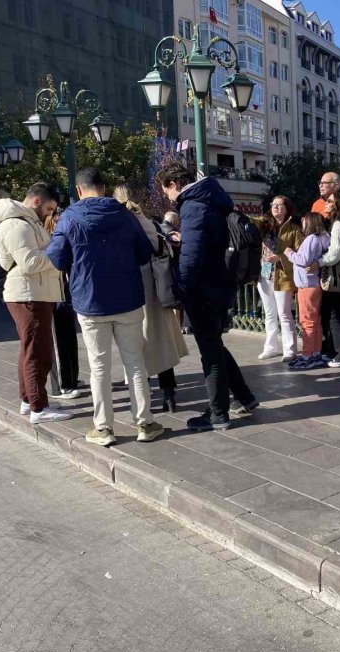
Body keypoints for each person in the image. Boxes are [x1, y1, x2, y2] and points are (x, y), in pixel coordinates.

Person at [47, 168, 163, 446]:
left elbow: (57, 258)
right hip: (128, 299)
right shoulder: (124, 214)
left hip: (90, 302)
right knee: (135, 363)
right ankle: (145, 423)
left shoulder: (70, 218)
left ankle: (104, 428)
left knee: (99, 367)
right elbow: (145, 252)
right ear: (103, 186)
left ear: (78, 190)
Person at [157, 161, 258, 432]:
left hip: (203, 289)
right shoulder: (212, 199)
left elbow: (191, 257)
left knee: (210, 351)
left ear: (174, 184)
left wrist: (181, 287)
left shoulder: (193, 205)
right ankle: (245, 397)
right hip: (221, 283)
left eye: (167, 191)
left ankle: (218, 413)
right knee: (215, 344)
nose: (169, 197)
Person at [0, 183, 74, 424]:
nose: (49, 213)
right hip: (28, 294)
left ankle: (29, 400)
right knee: (38, 351)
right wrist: (59, 253)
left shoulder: (26, 222)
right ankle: (38, 407)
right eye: (49, 208)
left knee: (31, 349)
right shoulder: (17, 224)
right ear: (36, 201)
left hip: (33, 293)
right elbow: (30, 262)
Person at [113, 183, 189, 413]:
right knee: (161, 342)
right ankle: (169, 395)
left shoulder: (121, 225)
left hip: (133, 291)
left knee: (135, 346)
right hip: (158, 290)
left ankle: (142, 396)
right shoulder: (151, 224)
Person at [41, 208, 82, 399]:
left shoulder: (61, 237)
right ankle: (62, 385)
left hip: (65, 292)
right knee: (59, 340)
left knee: (68, 338)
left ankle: (71, 377)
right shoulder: (49, 240)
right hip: (54, 294)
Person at [257, 195, 302, 362]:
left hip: (282, 275)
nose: (276, 208)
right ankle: (270, 347)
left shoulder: (294, 229)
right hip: (264, 274)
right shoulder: (265, 225)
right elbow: (252, 222)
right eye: (273, 205)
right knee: (269, 313)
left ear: (286, 208)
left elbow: (299, 254)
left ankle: (289, 349)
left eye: (279, 205)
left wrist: (280, 257)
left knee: (284, 313)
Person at [285, 212, 331, 370]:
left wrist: (289, 253)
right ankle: (316, 353)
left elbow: (303, 260)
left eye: (304, 222)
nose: (302, 225)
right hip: (313, 284)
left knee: (307, 322)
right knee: (314, 322)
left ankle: (307, 355)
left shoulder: (311, 239)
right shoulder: (321, 238)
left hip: (306, 285)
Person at [318, 191, 340, 368]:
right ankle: (338, 351)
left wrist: (319, 262)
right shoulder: (338, 223)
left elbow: (335, 252)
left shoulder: (338, 224)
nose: (326, 203)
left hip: (336, 276)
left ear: (337, 205)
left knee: (334, 315)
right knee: (333, 314)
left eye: (329, 201)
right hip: (336, 275)